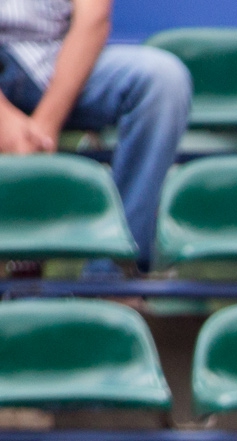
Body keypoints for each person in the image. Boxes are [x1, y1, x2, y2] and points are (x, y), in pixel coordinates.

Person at [0, 0, 189, 269]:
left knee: (163, 79)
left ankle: (113, 276)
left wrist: (45, 125)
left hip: (56, 58)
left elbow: (93, 17)